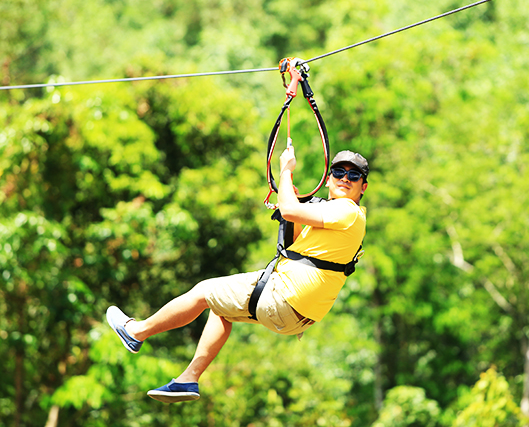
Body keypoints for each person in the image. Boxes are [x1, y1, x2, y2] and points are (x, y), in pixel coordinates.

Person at [106, 147, 369, 403]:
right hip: (296, 316)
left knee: (203, 291)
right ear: (329, 179)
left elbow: (288, 210)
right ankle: (188, 378)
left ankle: (137, 332)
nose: (345, 178)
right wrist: (291, 201)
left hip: (282, 298)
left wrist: (286, 172)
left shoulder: (347, 210)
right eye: (338, 172)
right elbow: (295, 245)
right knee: (221, 310)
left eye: (354, 175)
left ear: (362, 187)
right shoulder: (335, 215)